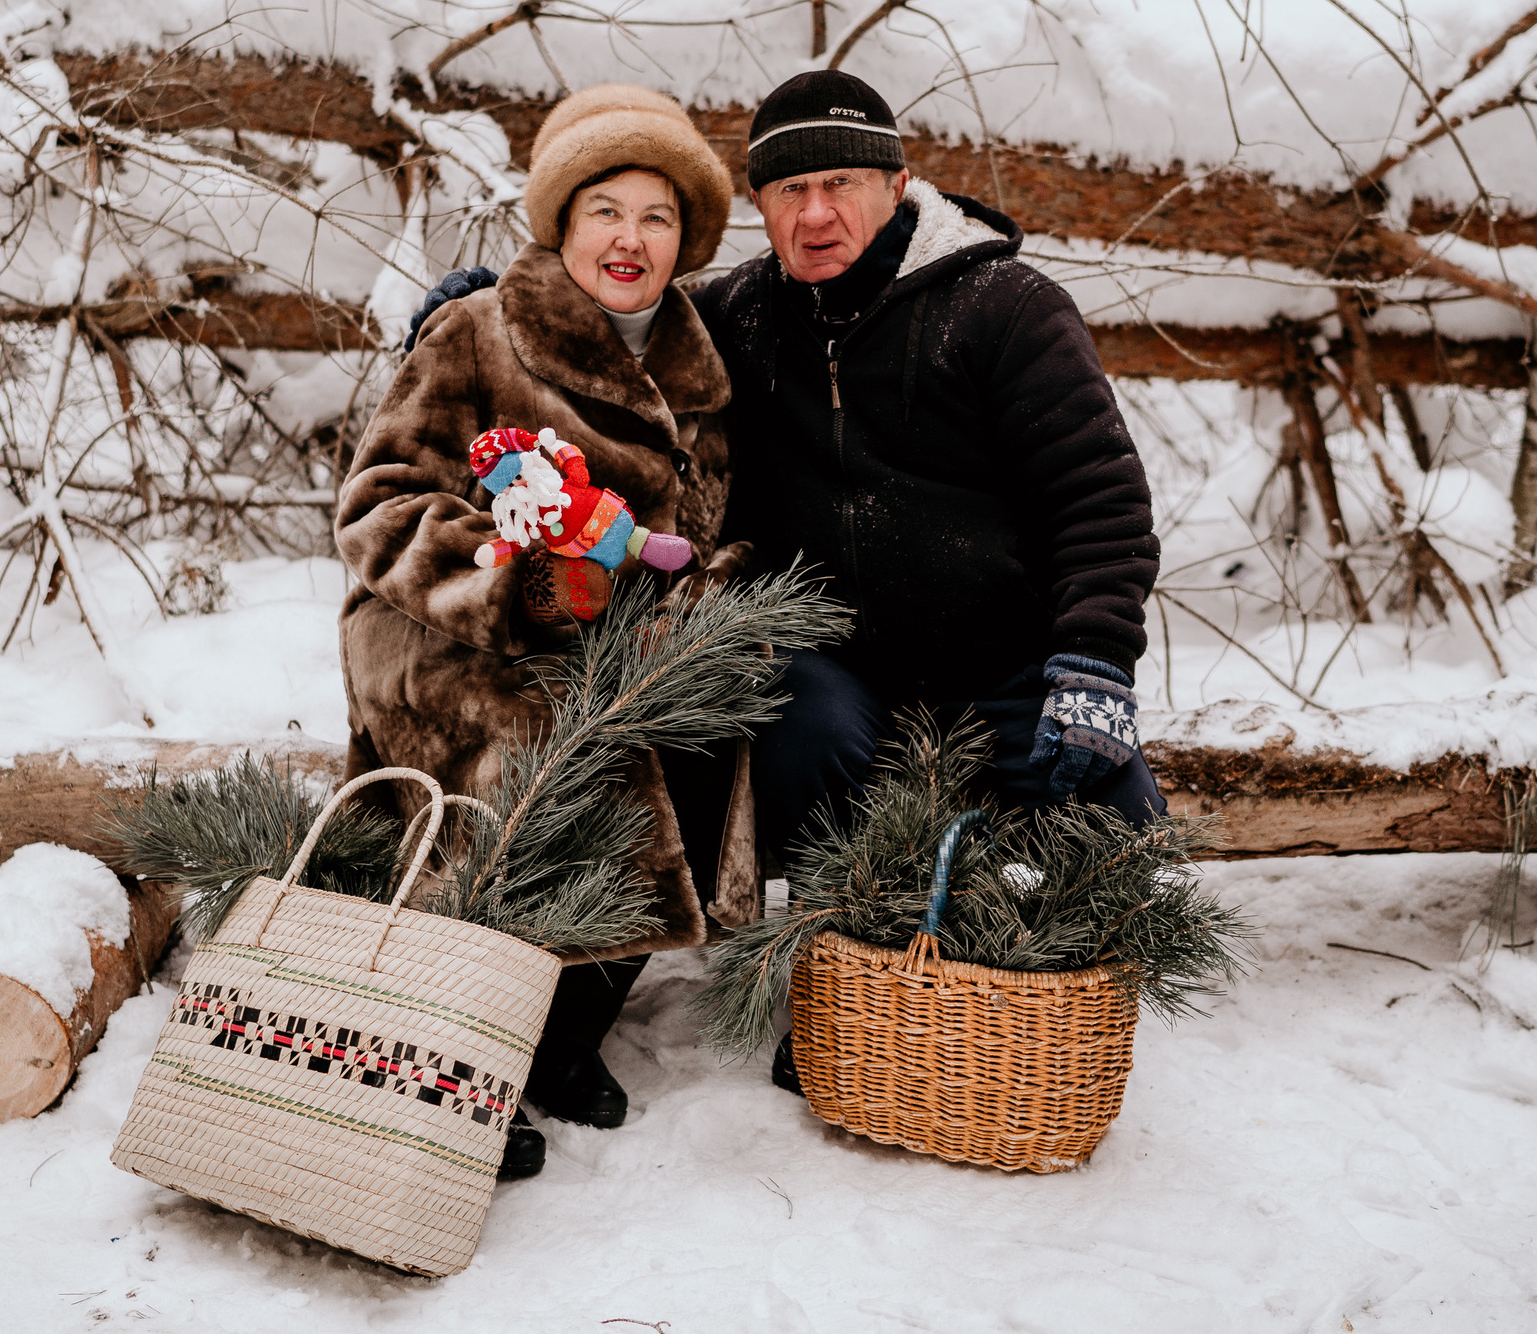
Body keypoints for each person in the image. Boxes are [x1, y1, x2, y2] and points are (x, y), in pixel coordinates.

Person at [408, 69, 1164, 1096]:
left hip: (1003, 659)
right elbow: (619, 309)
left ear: (898, 185)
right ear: (758, 206)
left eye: (841, 183)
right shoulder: (740, 319)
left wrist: (1095, 657)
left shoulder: (1005, 308)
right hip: (836, 661)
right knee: (800, 722)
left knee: (1119, 822)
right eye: (789, 191)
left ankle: (1013, 1013)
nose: (816, 214)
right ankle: (840, 993)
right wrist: (492, 306)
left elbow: (1099, 496)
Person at [334, 83, 754, 1182]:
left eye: (656, 217)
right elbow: (378, 505)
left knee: (703, 725)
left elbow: (704, 535)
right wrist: (520, 585)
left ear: (684, 240)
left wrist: (704, 607)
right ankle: (466, 1051)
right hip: (453, 631)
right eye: (605, 209)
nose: (629, 239)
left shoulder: (699, 373)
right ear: (563, 220)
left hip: (620, 636)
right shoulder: (478, 331)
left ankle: (562, 1028)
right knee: (543, 729)